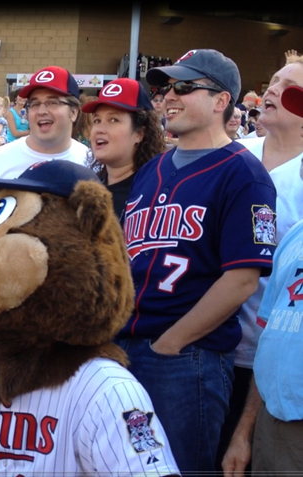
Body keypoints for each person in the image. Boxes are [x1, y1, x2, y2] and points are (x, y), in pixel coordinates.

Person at [116, 49, 277, 474]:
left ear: (222, 100)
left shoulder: (245, 173)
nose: (169, 97)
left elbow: (242, 279)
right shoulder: (150, 170)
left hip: (187, 357)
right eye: (165, 88)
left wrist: (172, 343)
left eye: (184, 87)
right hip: (124, 347)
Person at [220, 60, 303, 474]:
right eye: (272, 81)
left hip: (272, 364)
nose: (272, 90)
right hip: (212, 345)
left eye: (289, 86)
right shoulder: (233, 157)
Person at [0, 66, 89, 217]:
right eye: (34, 104)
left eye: (52, 103)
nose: (42, 111)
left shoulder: (93, 164)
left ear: (74, 112)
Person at [82, 78, 166, 218]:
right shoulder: (88, 190)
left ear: (139, 134)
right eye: (97, 120)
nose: (99, 129)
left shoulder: (154, 194)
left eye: (113, 120)